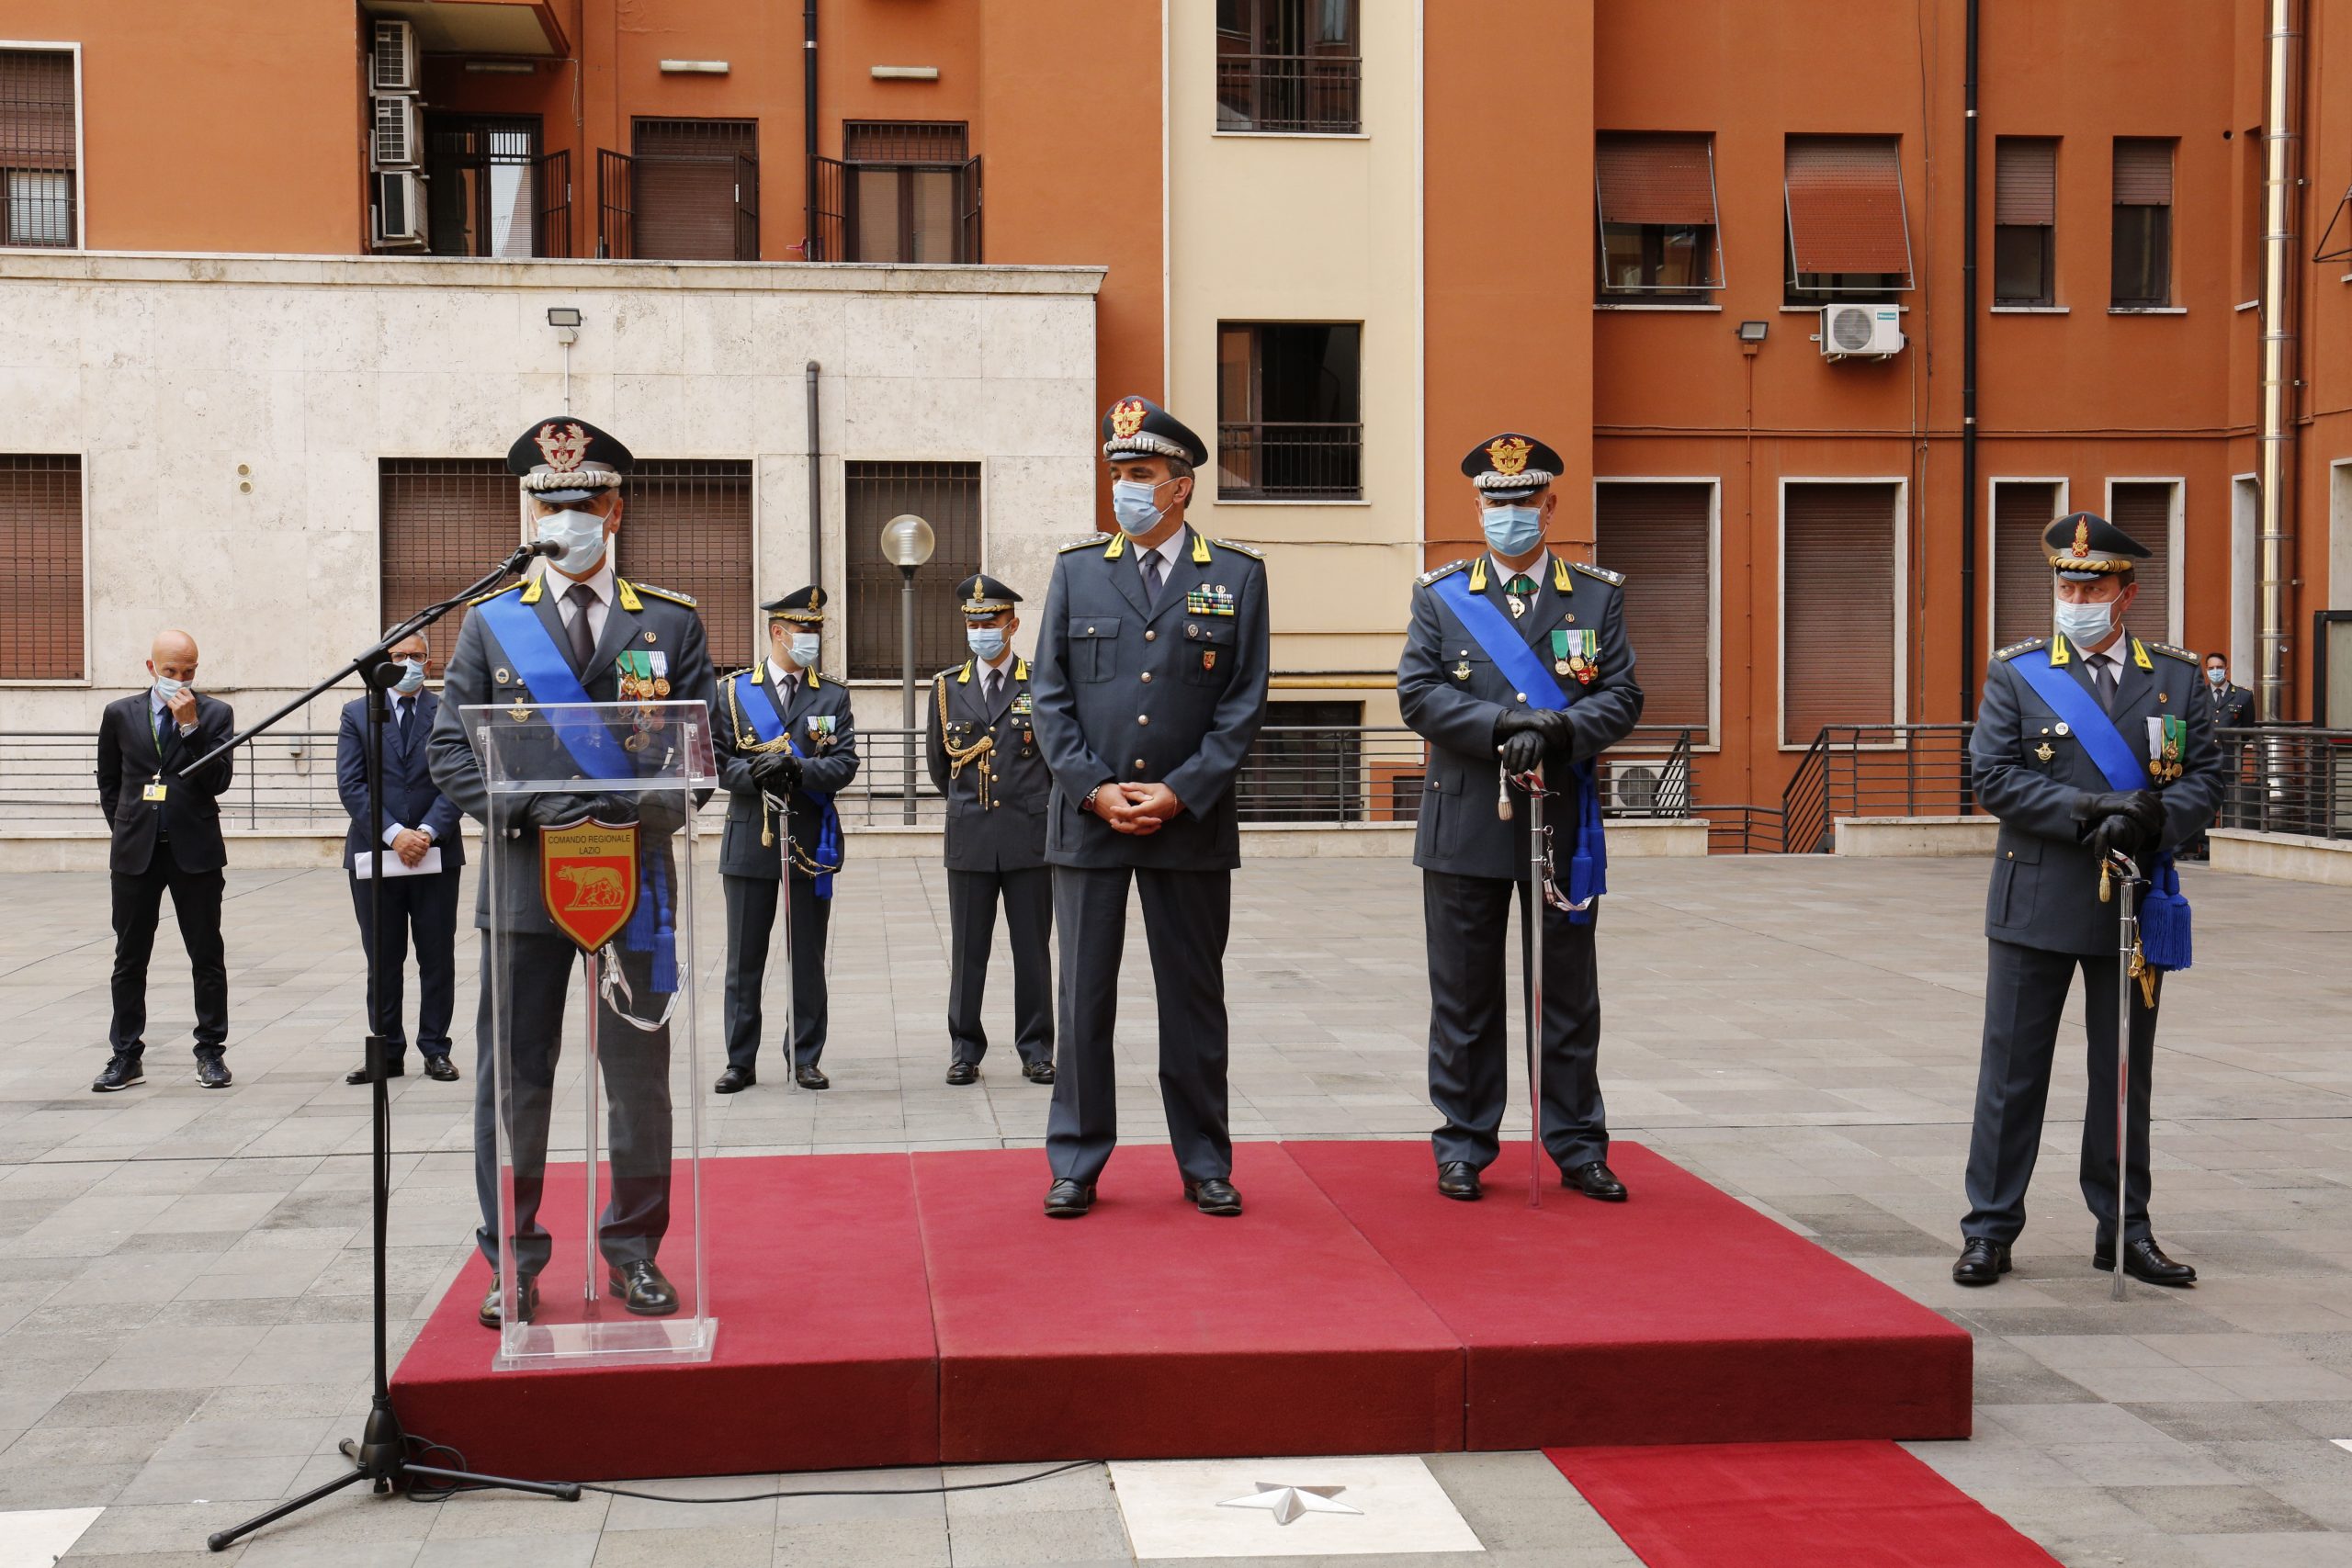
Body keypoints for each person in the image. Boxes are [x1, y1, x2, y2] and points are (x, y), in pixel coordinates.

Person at [427, 416, 715, 1328]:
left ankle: (634, 1251)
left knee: (638, 1077)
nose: (566, 517)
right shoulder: (491, 624)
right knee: (515, 1078)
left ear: (614, 508)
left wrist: (630, 810)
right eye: (548, 503)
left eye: (583, 501)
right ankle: (511, 1259)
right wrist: (534, 812)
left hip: (639, 886)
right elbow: (450, 753)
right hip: (521, 886)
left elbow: (699, 759)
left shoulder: (668, 622)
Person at [1954, 512, 2223, 1290]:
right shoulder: (2018, 671)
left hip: (2133, 903)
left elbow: (2204, 775)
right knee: (2012, 1074)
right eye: (2066, 583)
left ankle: (2125, 1225)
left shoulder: (2173, 678)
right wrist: (2087, 810)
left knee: (2123, 1071)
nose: (2076, 595)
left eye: (2093, 584)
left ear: (2126, 592)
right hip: (2037, 894)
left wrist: (2155, 820)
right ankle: (1990, 1227)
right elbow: (1995, 778)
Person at [1030, 395, 1271, 1218]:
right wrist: (1095, 789)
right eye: (1119, 475)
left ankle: (1204, 1160)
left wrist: (1180, 790)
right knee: (1082, 1000)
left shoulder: (1237, 576)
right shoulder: (1075, 570)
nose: (1126, 490)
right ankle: (1077, 1160)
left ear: (1182, 488)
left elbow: (1244, 703)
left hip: (1189, 825)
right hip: (1088, 823)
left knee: (1193, 1001)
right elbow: (1048, 698)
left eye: (1141, 475)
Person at [1396, 434, 1645, 1203]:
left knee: (1568, 994)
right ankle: (1465, 1141)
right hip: (1467, 817)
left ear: (1549, 505)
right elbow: (1419, 694)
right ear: (1478, 508)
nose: (1510, 515)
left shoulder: (1595, 595)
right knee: (1464, 994)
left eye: (1523, 502)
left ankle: (1576, 1141)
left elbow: (1623, 694)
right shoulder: (1441, 596)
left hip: (1561, 823)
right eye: (1495, 503)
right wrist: (1507, 725)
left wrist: (1561, 731)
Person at [710, 586, 859, 1094]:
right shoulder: (732, 692)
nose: (813, 638)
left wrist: (798, 766)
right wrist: (756, 773)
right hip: (753, 839)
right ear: (778, 632)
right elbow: (715, 760)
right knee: (743, 960)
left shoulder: (832, 695)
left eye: (818, 629)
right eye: (805, 630)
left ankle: (806, 1056)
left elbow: (844, 765)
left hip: (808, 843)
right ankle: (740, 1061)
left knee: (808, 957)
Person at [93, 629, 237, 1092]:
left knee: (206, 954)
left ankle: (211, 1052)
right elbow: (110, 782)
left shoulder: (215, 713)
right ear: (152, 668)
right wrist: (128, 829)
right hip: (136, 852)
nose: (180, 679)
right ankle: (126, 1055)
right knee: (130, 957)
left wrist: (191, 728)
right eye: (171, 671)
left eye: (189, 671)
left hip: (194, 850)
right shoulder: (120, 714)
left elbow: (218, 780)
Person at [926, 573, 1055, 1088]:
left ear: (1013, 625)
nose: (981, 630)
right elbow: (941, 766)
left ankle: (1037, 1048)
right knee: (967, 951)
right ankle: (964, 1048)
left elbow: (1052, 757)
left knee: (1033, 950)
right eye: (973, 622)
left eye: (991, 621)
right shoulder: (946, 687)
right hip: (971, 837)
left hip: (1029, 837)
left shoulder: (1041, 680)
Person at [335, 630, 463, 1084]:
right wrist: (394, 835)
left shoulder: (448, 711)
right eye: (399, 656)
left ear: (430, 662)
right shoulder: (358, 713)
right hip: (376, 856)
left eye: (417, 656)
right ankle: (386, 1051)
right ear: (382, 662)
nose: (409, 663)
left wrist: (426, 832)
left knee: (436, 956)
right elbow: (352, 786)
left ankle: (436, 1048)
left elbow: (459, 778)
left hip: (435, 855)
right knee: (383, 959)